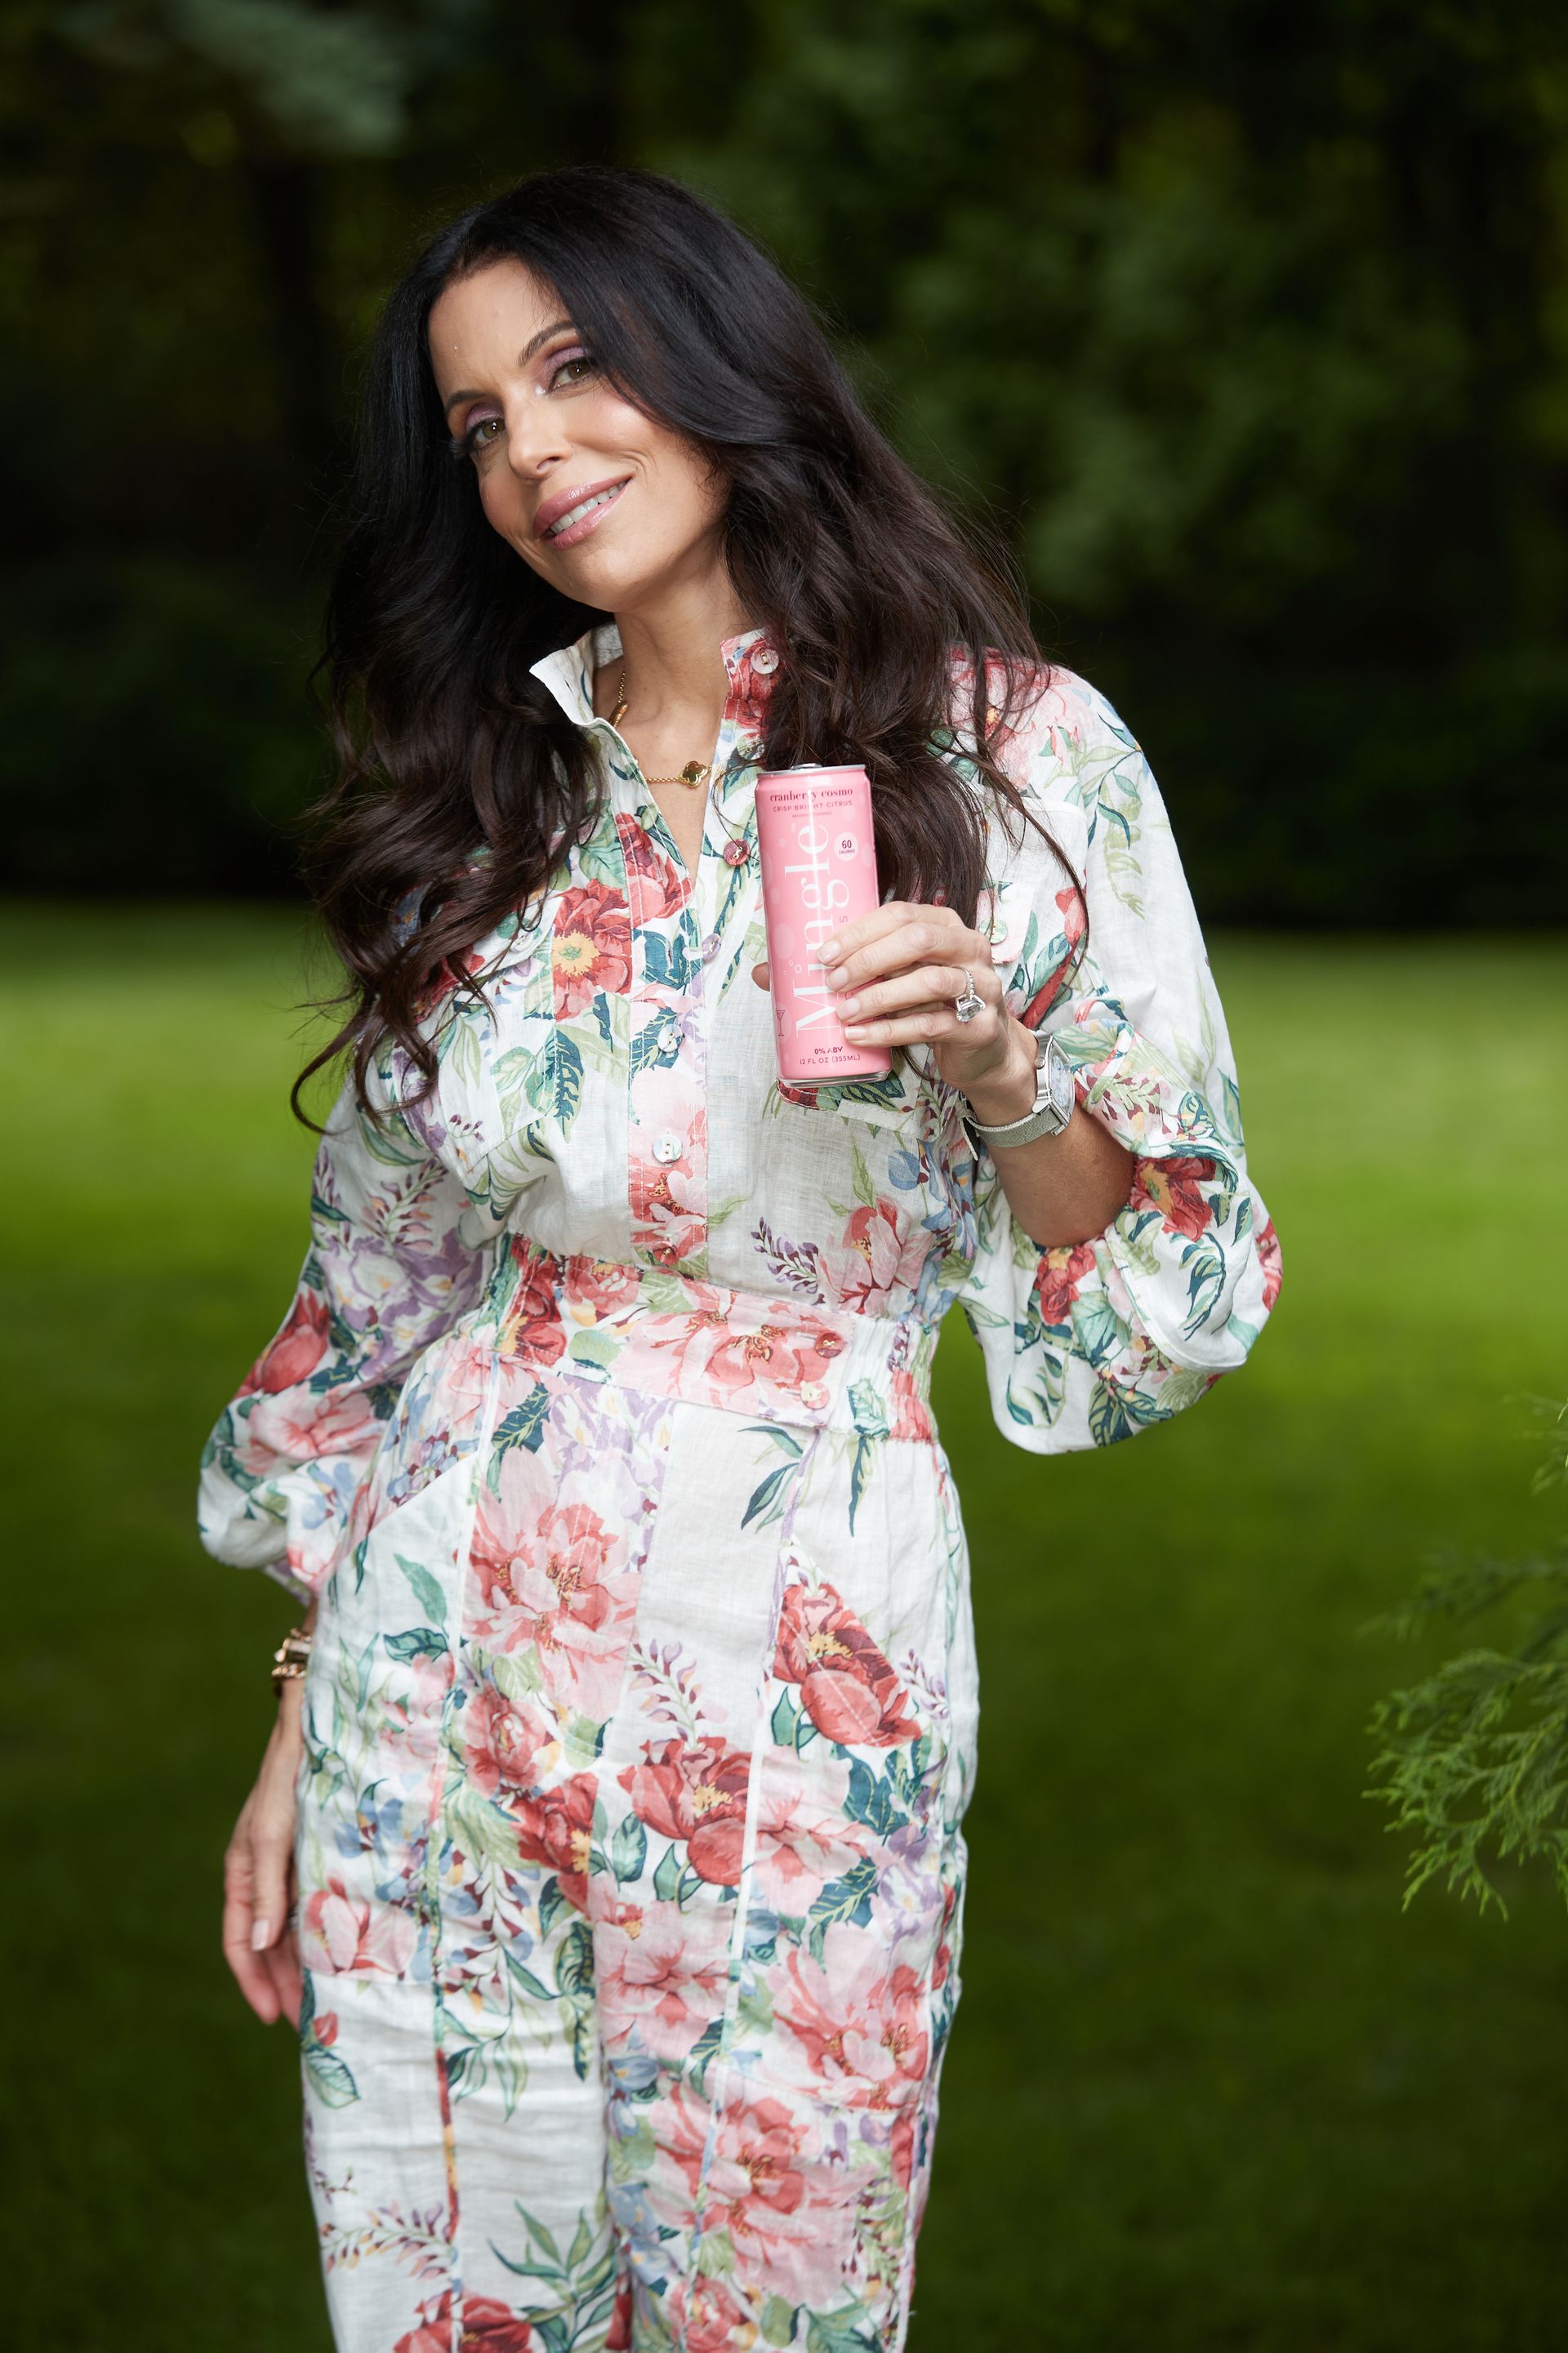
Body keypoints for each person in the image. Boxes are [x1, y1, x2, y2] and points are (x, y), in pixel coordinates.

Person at [201, 163, 1281, 2353]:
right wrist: (299, 1722)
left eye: (575, 369)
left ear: (719, 363)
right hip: (442, 1663)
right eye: (481, 420)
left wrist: (993, 1055)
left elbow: (1160, 1279)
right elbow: (378, 1296)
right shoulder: (489, 786)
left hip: (796, 1663)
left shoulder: (1012, 754)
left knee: (773, 2300)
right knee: (457, 2308)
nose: (530, 451)